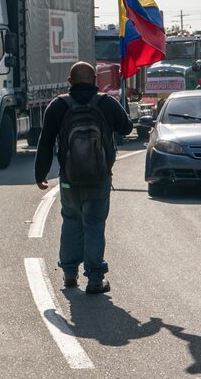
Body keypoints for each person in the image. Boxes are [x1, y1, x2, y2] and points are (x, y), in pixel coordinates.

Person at [35, 61, 132, 294]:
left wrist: (40, 175)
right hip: (99, 178)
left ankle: (69, 275)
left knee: (71, 220)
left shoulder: (58, 106)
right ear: (96, 81)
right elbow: (127, 128)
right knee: (94, 224)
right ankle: (95, 279)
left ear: (70, 82)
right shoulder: (106, 103)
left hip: (69, 179)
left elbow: (46, 142)